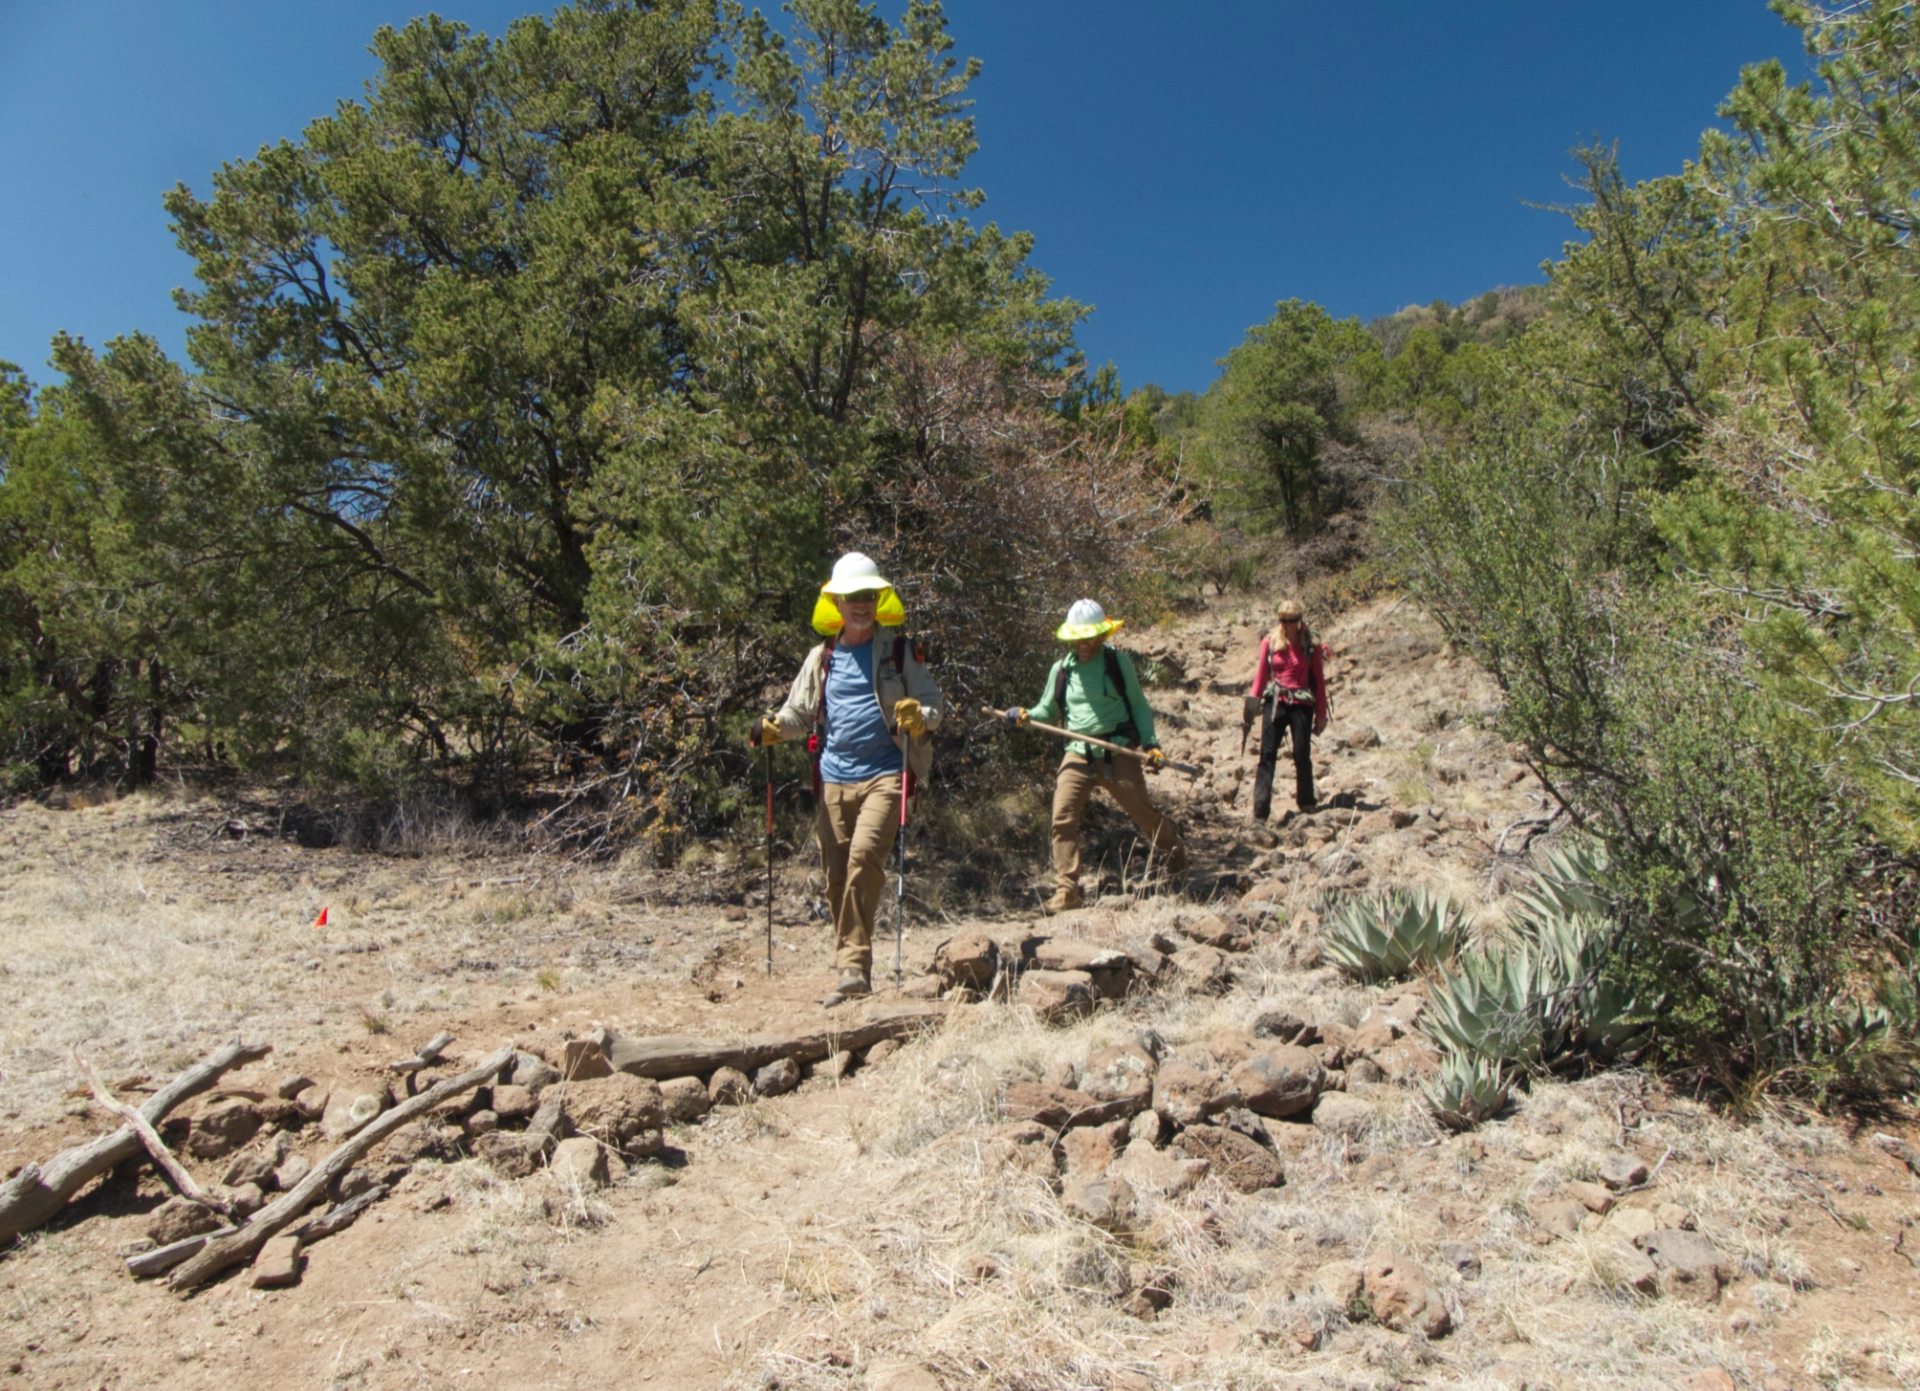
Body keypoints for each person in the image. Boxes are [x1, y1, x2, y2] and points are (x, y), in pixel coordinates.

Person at [752, 553, 944, 1002]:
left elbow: (934, 705)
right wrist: (775, 728)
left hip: (886, 773)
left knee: (863, 861)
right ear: (836, 603)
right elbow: (798, 713)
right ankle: (850, 966)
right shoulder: (822, 657)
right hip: (834, 777)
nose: (860, 605)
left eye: (867, 596)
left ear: (878, 600)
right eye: (851, 597)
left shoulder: (899, 651)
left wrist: (919, 718)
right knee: (836, 875)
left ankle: (854, 968)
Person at [1004, 599, 1188, 914]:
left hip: (1117, 750)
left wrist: (1151, 745)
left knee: (1145, 816)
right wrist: (1024, 715)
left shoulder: (1118, 663)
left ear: (1101, 634)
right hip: (1077, 753)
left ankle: (1177, 857)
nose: (1084, 642)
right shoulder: (1062, 670)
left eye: (1090, 636)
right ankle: (1068, 892)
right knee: (1062, 817)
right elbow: (1046, 710)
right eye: (1079, 636)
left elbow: (1140, 705)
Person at [1247, 599, 1328, 819]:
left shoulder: (1311, 645)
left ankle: (1307, 801)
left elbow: (1319, 682)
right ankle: (1260, 811)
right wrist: (1251, 708)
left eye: (1292, 620)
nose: (1288, 624)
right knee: (1267, 755)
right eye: (1283, 620)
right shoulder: (1270, 642)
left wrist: (1322, 714)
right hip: (1276, 701)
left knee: (1302, 752)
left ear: (1299, 620)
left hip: (1301, 703)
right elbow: (1261, 676)